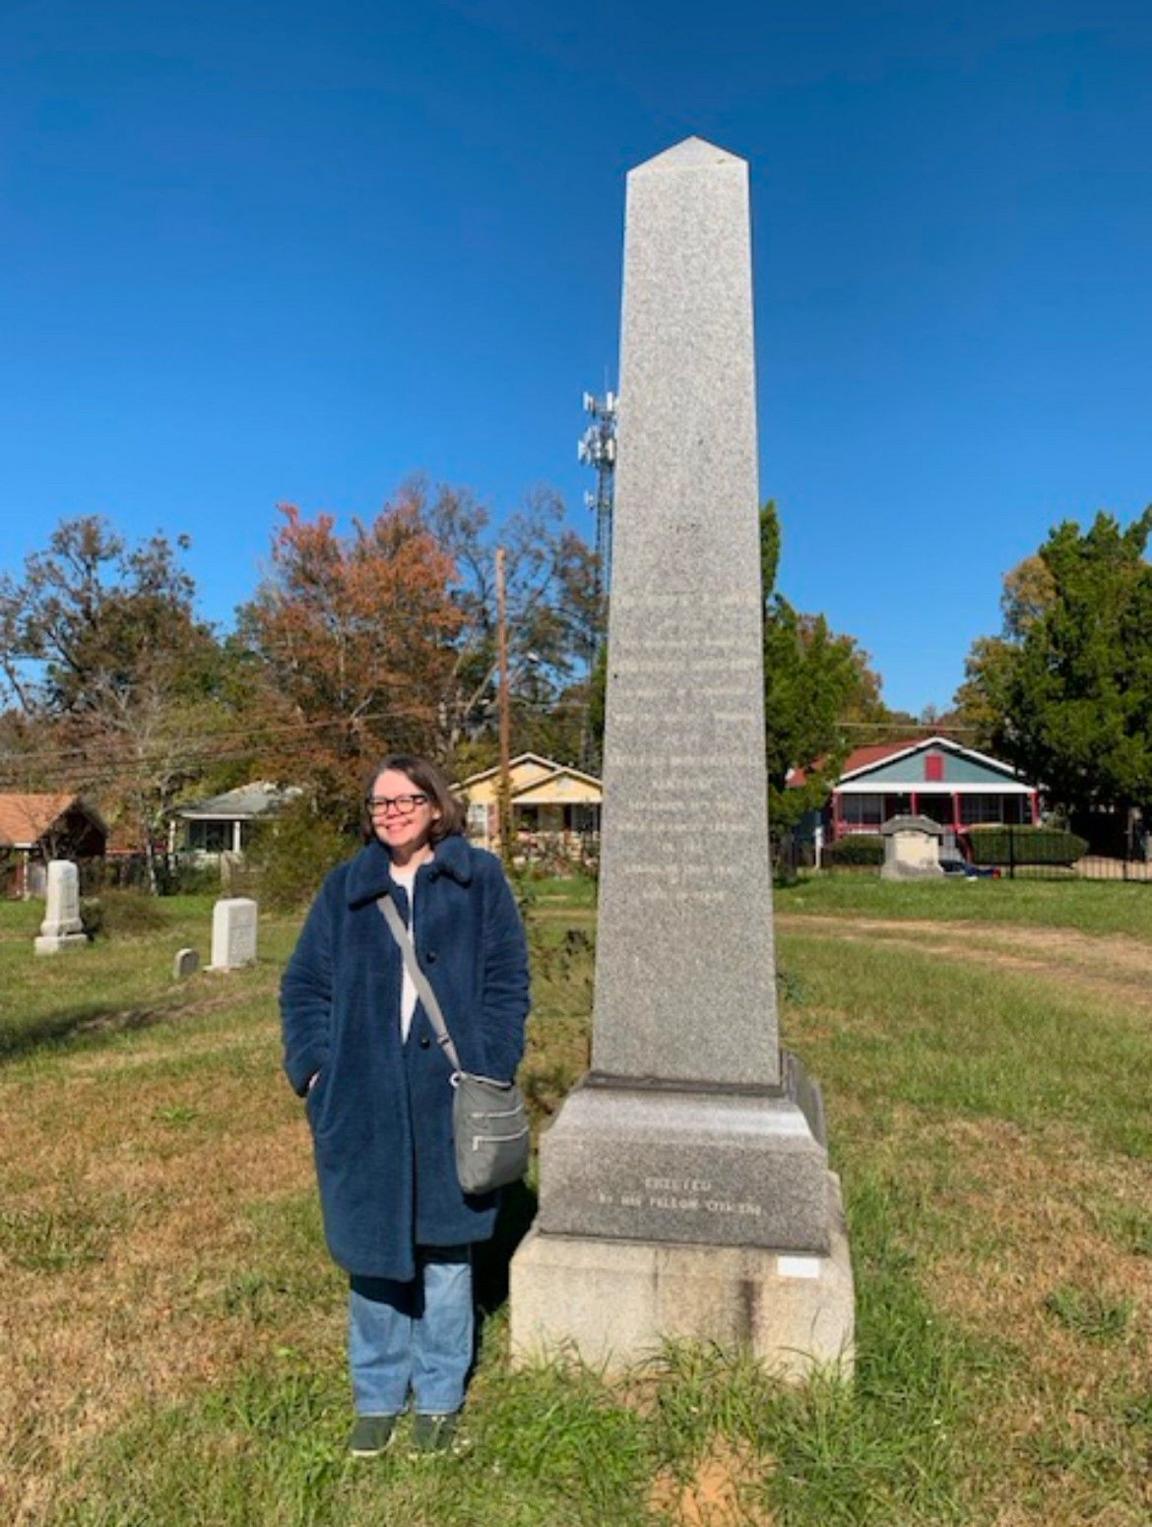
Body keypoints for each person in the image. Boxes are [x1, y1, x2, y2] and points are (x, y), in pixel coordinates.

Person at [280, 754, 530, 1457]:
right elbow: (303, 986)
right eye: (378, 803)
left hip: (448, 1095)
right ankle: (378, 1394)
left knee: (447, 1253)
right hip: (360, 1098)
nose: (390, 812)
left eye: (405, 799)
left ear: (435, 804)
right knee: (373, 1253)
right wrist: (314, 1072)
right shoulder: (346, 889)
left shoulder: (478, 880)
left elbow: (508, 978)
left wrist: (493, 1061)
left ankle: (440, 1397)